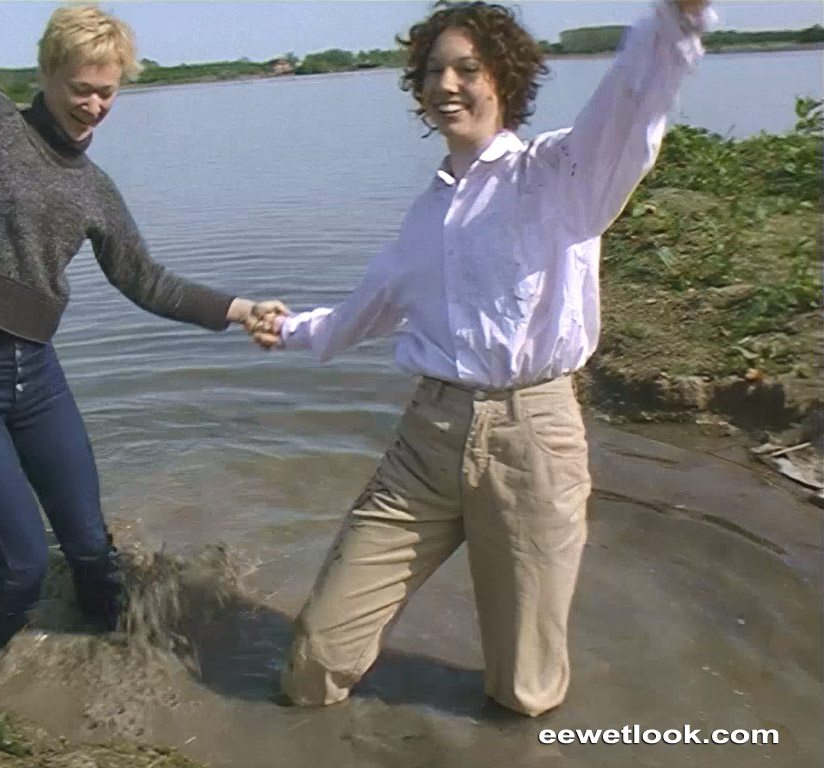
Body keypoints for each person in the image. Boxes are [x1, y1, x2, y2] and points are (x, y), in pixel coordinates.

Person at [250, 0, 712, 716]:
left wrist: (676, 20)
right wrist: (285, 329)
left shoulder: (562, 173)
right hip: (425, 445)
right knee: (313, 664)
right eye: (433, 71)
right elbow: (362, 313)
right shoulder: (426, 214)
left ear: (505, 77)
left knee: (523, 693)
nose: (447, 85)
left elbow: (633, 99)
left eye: (467, 69)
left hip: (532, 443)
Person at [0, 0, 287, 654]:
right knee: (24, 564)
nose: (93, 106)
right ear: (47, 73)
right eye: (81, 89)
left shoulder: (95, 188)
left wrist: (239, 309)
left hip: (38, 380)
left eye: (107, 93)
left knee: (92, 550)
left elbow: (146, 280)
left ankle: (116, 656)